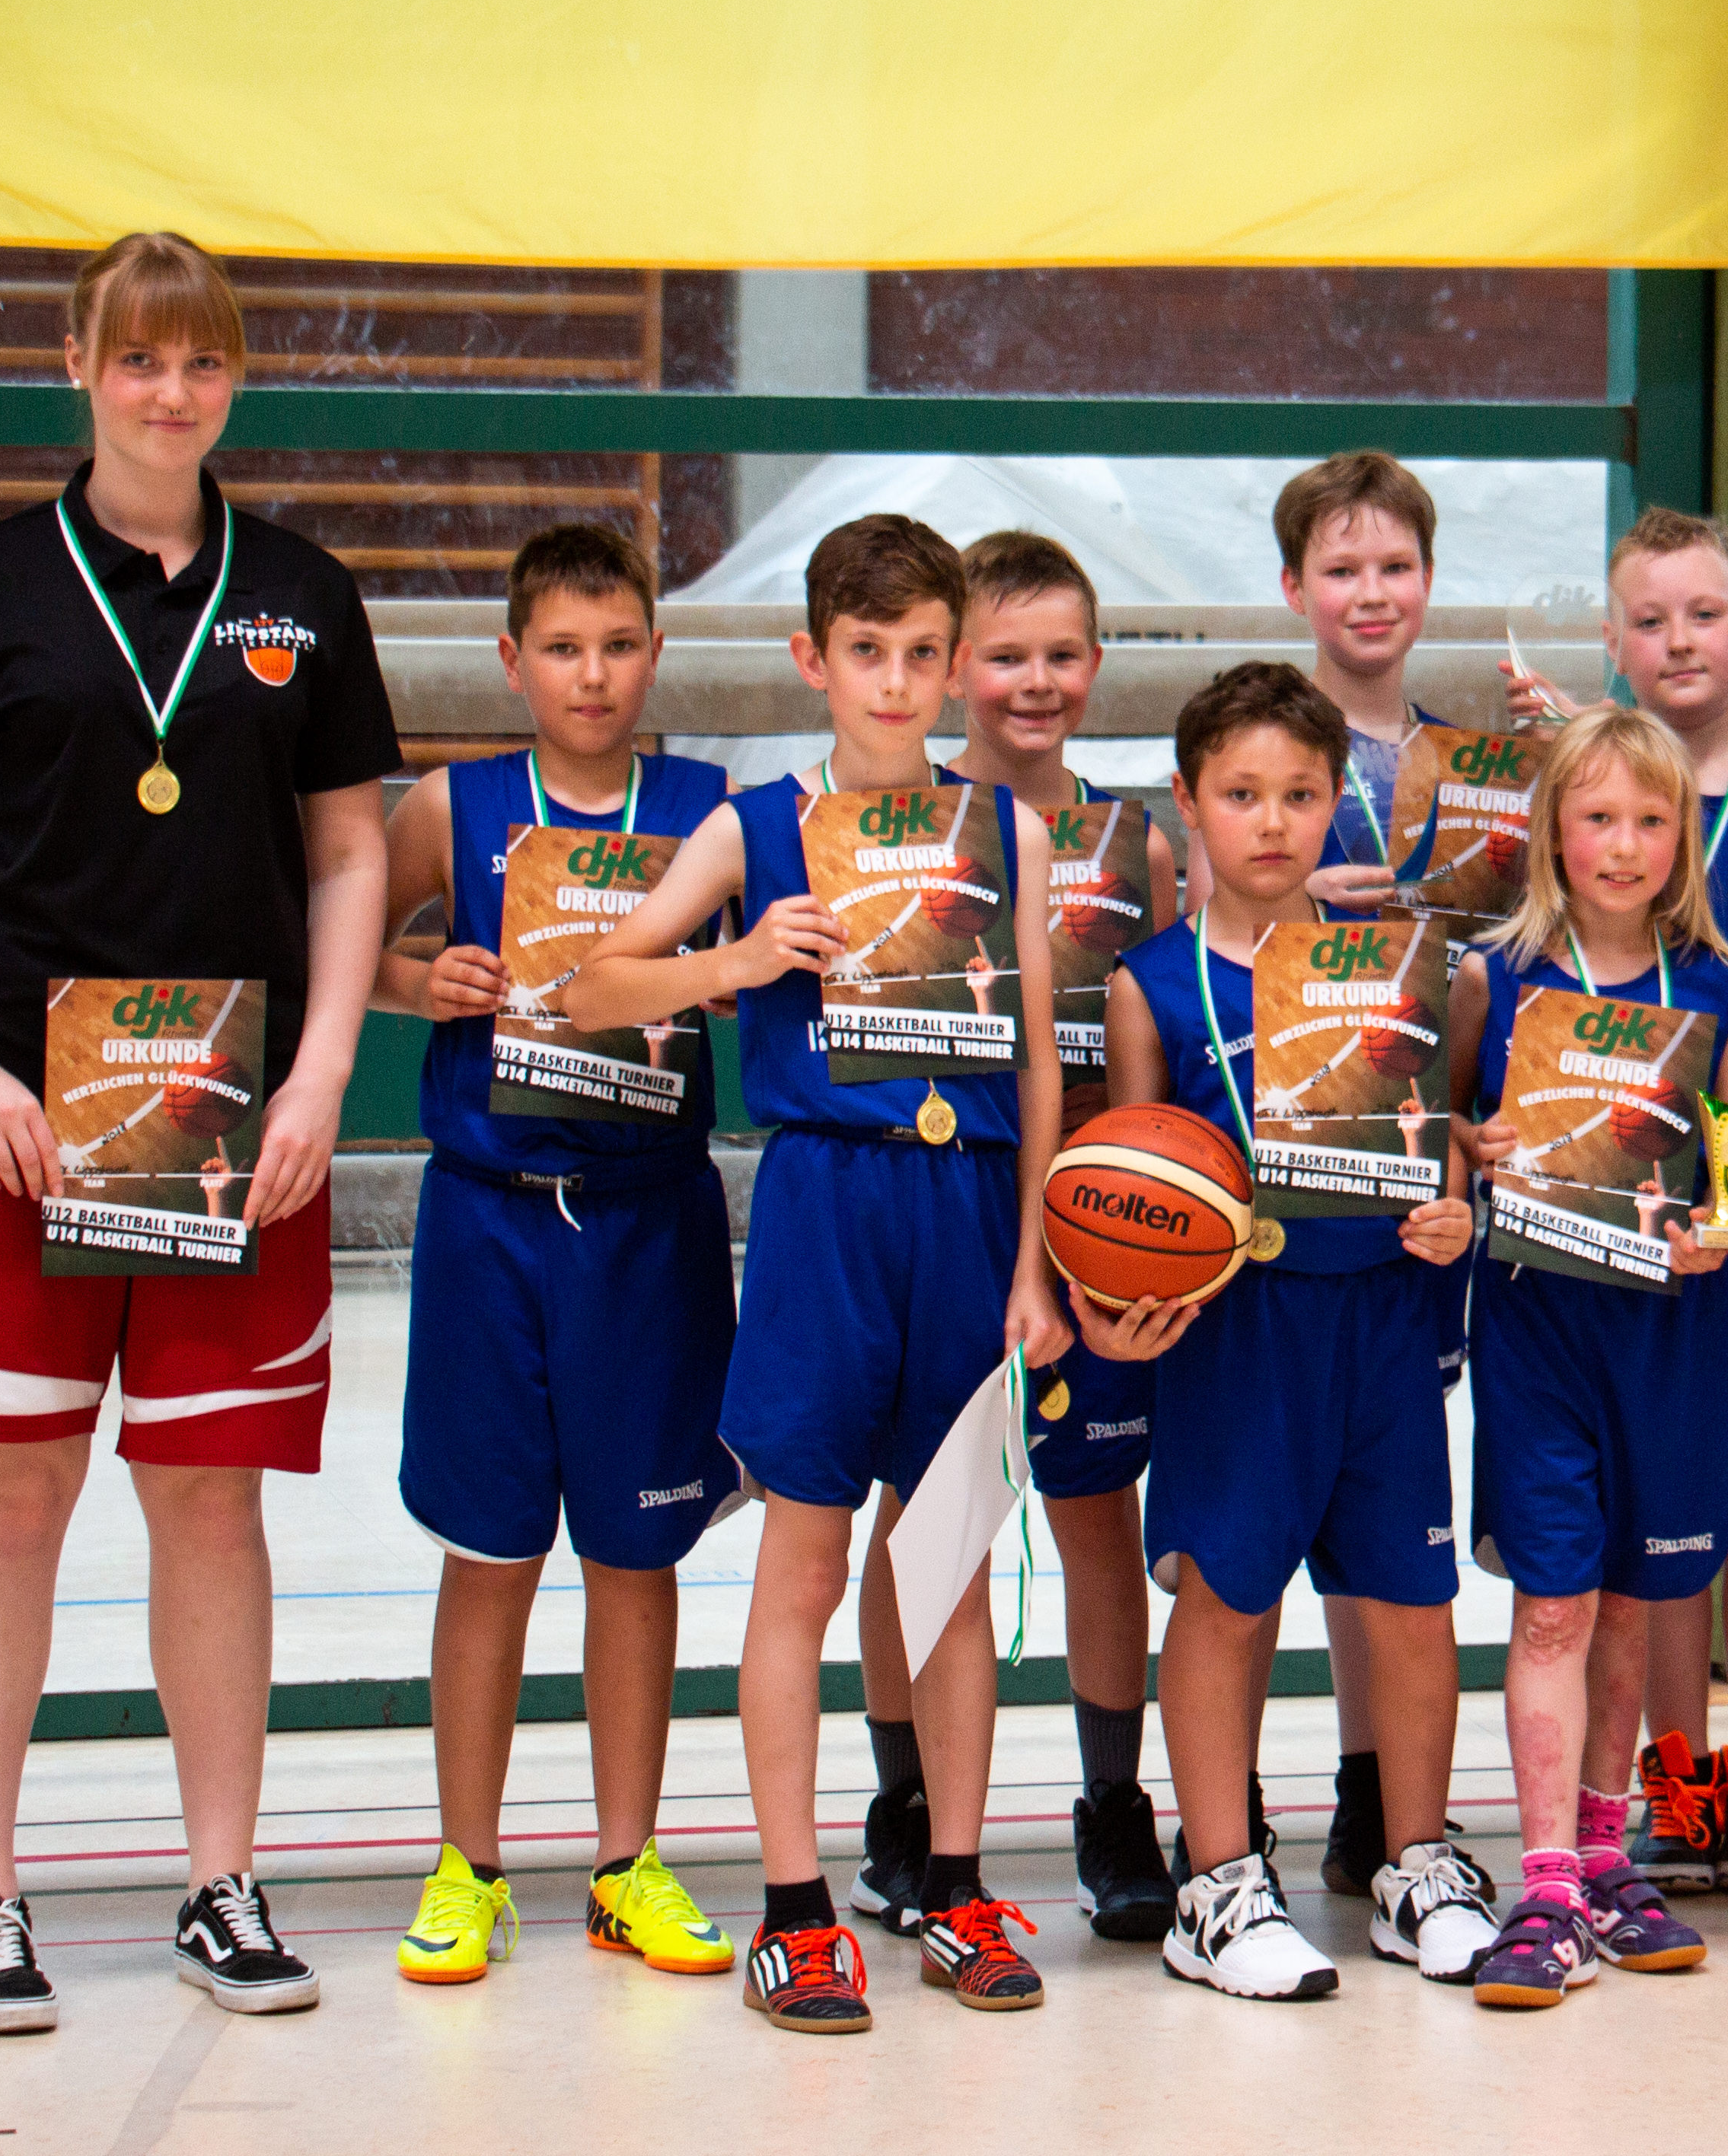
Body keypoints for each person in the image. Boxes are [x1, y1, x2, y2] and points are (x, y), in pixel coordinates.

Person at [0, 232, 397, 2032]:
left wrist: (320, 1074)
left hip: (228, 1114)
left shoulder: (300, 594)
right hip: (13, 1115)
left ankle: (222, 1882)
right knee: (7, 1500)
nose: (172, 391)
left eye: (204, 360)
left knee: (208, 1500)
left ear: (236, 378)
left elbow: (348, 853)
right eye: (139, 357)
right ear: (76, 363)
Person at [564, 515, 1070, 2030]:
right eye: (868, 653)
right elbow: (590, 986)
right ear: (813, 659)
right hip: (823, 1208)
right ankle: (794, 1910)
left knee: (951, 1574)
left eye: (922, 654)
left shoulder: (1008, 833)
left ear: (956, 663)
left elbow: (1042, 1060)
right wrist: (734, 963)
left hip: (971, 1212)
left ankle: (957, 1886)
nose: (896, 682)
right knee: (805, 1565)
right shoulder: (752, 829)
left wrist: (1037, 1263)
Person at [1076, 663, 1496, 2001]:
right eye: (1243, 794)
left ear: (1337, 805)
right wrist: (1119, 1303)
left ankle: (1414, 1866)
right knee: (1229, 1596)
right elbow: (1125, 1180)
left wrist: (1455, 1208)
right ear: (1188, 802)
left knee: (1411, 1601)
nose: (1272, 821)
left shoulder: (1404, 968)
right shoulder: (1149, 984)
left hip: (1382, 1314)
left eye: (1301, 795)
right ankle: (1217, 1887)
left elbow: (1447, 1142)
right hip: (1236, 1330)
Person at [367, 524, 737, 1989]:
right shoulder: (451, 803)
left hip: (648, 1218)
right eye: (565, 649)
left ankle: (625, 1864)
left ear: (657, 654)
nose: (594, 675)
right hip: (490, 1213)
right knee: (490, 1553)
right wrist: (416, 981)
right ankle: (466, 1864)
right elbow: (343, 945)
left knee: (636, 1554)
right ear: (512, 662)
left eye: (620, 645)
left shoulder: (710, 811)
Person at [845, 527, 1183, 1944]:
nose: (1033, 683)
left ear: (1095, 665)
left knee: (1096, 1511)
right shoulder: (890, 824)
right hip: (951, 1200)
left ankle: (1113, 1803)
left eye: (1059, 656)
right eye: (1003, 657)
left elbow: (1176, 1026)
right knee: (917, 1515)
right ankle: (907, 1799)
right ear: (952, 669)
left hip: (1103, 1225)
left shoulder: (1137, 842)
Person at [1501, 506, 1728, 1897]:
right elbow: (1474, 1103)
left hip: (1717, 1261)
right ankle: (1639, 1808)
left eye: (1702, 614)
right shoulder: (1513, 957)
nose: (1679, 640)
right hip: (1567, 1292)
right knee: (1612, 1564)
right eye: (1649, 618)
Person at [1446, 706, 1728, 2008]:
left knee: (1631, 1602)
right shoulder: (1494, 978)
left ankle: (1605, 1852)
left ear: (1684, 836)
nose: (1624, 846)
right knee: (1555, 1603)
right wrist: (1475, 1145)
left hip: (1665, 1330)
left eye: (1650, 820)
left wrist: (1719, 1231)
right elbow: (1448, 1131)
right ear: (1551, 832)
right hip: (1540, 1326)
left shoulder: (1718, 987)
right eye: (1598, 819)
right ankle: (1547, 1886)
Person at [1274, 448, 1470, 1893]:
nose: (1370, 591)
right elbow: (1195, 923)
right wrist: (1288, 895)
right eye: (1342, 568)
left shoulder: (1473, 766)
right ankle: (1332, 1785)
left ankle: (1381, 1795)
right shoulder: (1264, 752)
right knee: (1288, 1496)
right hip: (1291, 1171)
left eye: (1393, 566)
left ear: (1428, 580)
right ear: (1295, 588)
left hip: (1425, 1171)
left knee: (1392, 1500)